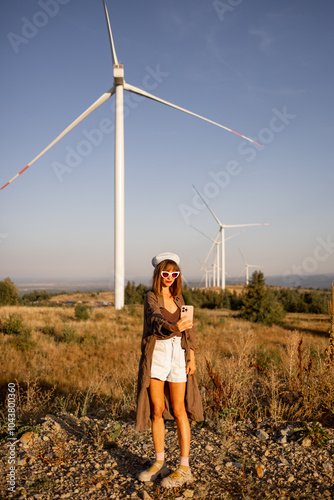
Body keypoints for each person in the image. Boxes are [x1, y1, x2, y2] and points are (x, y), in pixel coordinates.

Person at [136, 252, 203, 488]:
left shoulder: (180, 299)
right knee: (157, 408)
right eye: (166, 273)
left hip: (179, 354)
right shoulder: (151, 297)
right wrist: (171, 326)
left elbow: (189, 330)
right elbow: (154, 319)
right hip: (158, 353)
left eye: (174, 274)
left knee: (179, 409)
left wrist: (192, 355)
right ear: (159, 274)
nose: (170, 277)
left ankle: (184, 467)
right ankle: (160, 462)